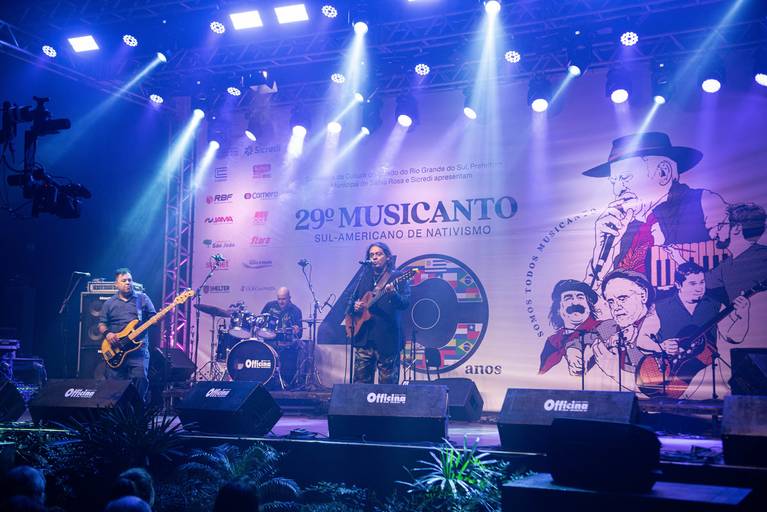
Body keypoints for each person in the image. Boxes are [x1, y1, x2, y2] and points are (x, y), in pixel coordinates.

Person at [582, 132, 726, 288]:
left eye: (625, 177)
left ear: (663, 172)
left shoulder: (702, 203)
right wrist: (603, 251)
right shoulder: (627, 226)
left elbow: (734, 265)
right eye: (614, 181)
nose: (618, 190)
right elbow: (596, 292)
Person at [349, 242, 410, 384]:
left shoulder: (398, 277)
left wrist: (393, 294)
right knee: (360, 387)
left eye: (378, 254)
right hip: (364, 338)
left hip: (387, 339)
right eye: (371, 255)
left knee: (387, 388)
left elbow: (405, 303)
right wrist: (354, 305)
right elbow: (349, 298)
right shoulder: (364, 277)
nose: (374, 257)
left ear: (388, 257)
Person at [590, 270, 660, 390]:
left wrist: (614, 371)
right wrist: (573, 350)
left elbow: (658, 389)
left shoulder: (660, 328)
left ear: (643, 295)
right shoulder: (609, 326)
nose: (616, 307)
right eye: (611, 301)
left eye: (622, 298)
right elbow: (584, 337)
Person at [98, 268, 156, 402]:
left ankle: (138, 411)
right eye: (124, 280)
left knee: (140, 380)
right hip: (115, 349)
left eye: (130, 280)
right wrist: (108, 334)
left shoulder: (142, 298)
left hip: (138, 351)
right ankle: (117, 413)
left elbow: (153, 317)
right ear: (116, 284)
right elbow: (101, 324)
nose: (128, 283)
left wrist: (157, 319)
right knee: (114, 387)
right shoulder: (109, 303)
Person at [538, 279, 615, 376]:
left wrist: (574, 348)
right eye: (568, 298)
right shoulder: (552, 342)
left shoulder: (605, 326)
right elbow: (542, 374)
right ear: (558, 308)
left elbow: (608, 329)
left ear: (589, 306)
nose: (575, 302)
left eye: (580, 297)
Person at [705, 202, 767, 304]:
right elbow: (703, 282)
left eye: (720, 226)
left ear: (737, 228)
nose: (714, 233)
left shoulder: (763, 256)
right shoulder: (725, 266)